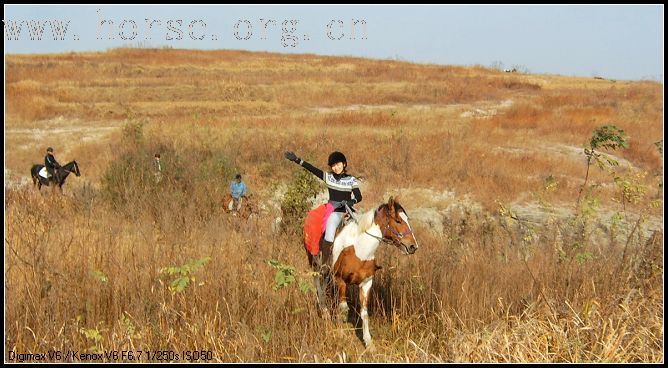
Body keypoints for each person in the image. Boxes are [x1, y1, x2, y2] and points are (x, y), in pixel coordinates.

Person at [284, 150, 362, 271]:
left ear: (344, 164)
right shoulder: (328, 177)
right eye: (333, 165)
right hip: (335, 211)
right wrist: (297, 160)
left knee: (364, 227)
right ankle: (325, 263)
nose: (336, 167)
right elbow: (313, 169)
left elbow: (359, 196)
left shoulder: (351, 179)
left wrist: (351, 201)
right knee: (330, 228)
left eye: (338, 164)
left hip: (348, 211)